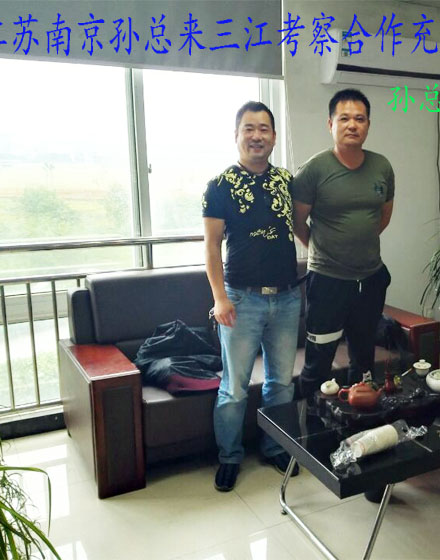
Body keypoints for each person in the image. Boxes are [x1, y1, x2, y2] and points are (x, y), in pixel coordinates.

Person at [203, 101, 301, 492]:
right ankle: (229, 457)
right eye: (249, 128)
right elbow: (211, 247)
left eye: (264, 129)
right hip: (240, 300)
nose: (257, 135)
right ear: (237, 135)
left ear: (274, 137)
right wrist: (219, 299)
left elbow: (303, 228)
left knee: (281, 384)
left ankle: (276, 447)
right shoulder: (220, 186)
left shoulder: (288, 182)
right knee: (234, 387)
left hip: (287, 298)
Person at [291, 88, 395, 399]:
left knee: (363, 362)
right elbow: (298, 223)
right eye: (344, 118)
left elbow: (383, 217)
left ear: (368, 125)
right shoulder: (313, 170)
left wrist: (358, 243)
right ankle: (311, 424)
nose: (352, 125)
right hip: (328, 282)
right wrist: (325, 251)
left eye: (360, 119)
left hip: (370, 280)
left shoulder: (382, 166)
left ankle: (359, 421)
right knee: (318, 364)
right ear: (330, 124)